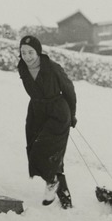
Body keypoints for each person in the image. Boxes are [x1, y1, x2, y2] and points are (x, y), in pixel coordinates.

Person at [17, 35, 76, 209]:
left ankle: (52, 182)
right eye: (23, 52)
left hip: (57, 112)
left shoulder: (52, 68)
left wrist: (72, 115)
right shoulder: (22, 69)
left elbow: (69, 90)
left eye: (30, 52)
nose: (27, 56)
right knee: (36, 149)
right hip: (36, 112)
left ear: (38, 51)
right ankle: (64, 197)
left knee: (45, 150)